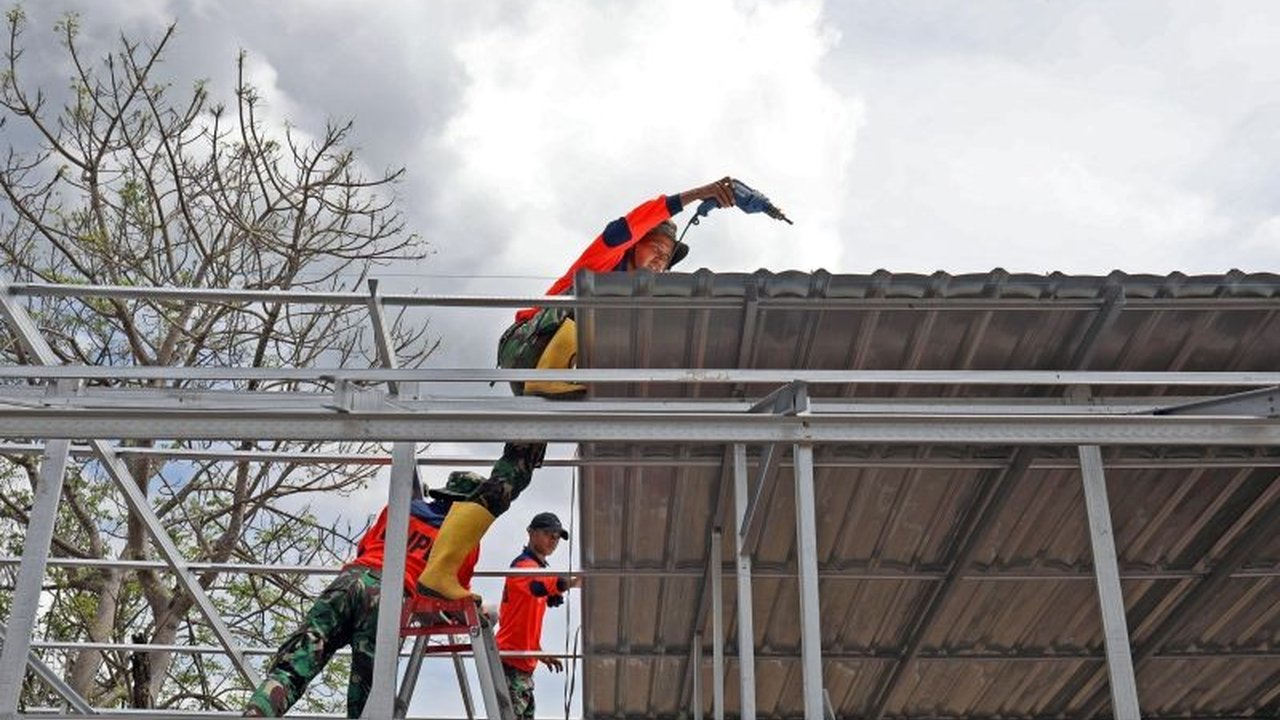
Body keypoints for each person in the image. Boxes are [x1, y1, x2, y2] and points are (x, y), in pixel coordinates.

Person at [418, 178, 738, 601]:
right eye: (655, 250)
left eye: (666, 259)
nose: (660, 262)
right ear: (634, 247)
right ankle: (555, 383)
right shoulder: (603, 262)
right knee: (588, 305)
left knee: (511, 476)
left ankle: (438, 571)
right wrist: (694, 196)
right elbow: (622, 227)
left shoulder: (635, 309)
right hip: (532, 346)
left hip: (557, 382)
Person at [243, 471, 484, 718]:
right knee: (367, 698)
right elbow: (447, 593)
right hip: (388, 598)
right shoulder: (463, 540)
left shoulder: (400, 509)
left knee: (295, 663)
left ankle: (258, 711)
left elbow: (365, 548)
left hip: (349, 582)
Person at [495, 512, 580, 720]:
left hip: (523, 666)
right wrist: (576, 581)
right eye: (548, 533)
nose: (554, 540)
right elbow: (541, 585)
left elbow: (523, 623)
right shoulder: (522, 568)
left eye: (557, 536)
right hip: (510, 663)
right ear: (531, 533)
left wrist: (538, 652)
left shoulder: (538, 570)